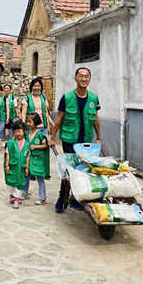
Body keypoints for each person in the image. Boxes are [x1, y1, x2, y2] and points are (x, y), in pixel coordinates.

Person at [49, 67, 102, 213]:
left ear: (89, 79)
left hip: (86, 143)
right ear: (75, 78)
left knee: (83, 171)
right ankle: (62, 198)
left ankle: (77, 199)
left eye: (86, 76)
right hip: (69, 140)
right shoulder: (67, 98)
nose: (83, 79)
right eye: (81, 76)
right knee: (69, 170)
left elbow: (96, 120)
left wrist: (99, 138)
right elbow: (59, 119)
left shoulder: (93, 98)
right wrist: (52, 137)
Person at [22, 112, 50, 205]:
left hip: (38, 159)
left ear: (36, 122)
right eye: (27, 122)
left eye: (30, 122)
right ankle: (24, 192)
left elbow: (45, 145)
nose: (28, 124)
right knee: (26, 175)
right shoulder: (28, 134)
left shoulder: (40, 135)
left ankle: (42, 197)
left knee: (40, 178)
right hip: (29, 158)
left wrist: (35, 147)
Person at [4, 120, 30, 209]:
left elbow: (27, 156)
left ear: (24, 131)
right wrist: (7, 165)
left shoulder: (27, 144)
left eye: (19, 131)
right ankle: (12, 196)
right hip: (13, 166)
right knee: (11, 181)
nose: (17, 133)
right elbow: (8, 154)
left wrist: (27, 167)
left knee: (20, 182)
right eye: (15, 132)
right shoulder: (10, 143)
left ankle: (16, 199)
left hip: (22, 167)